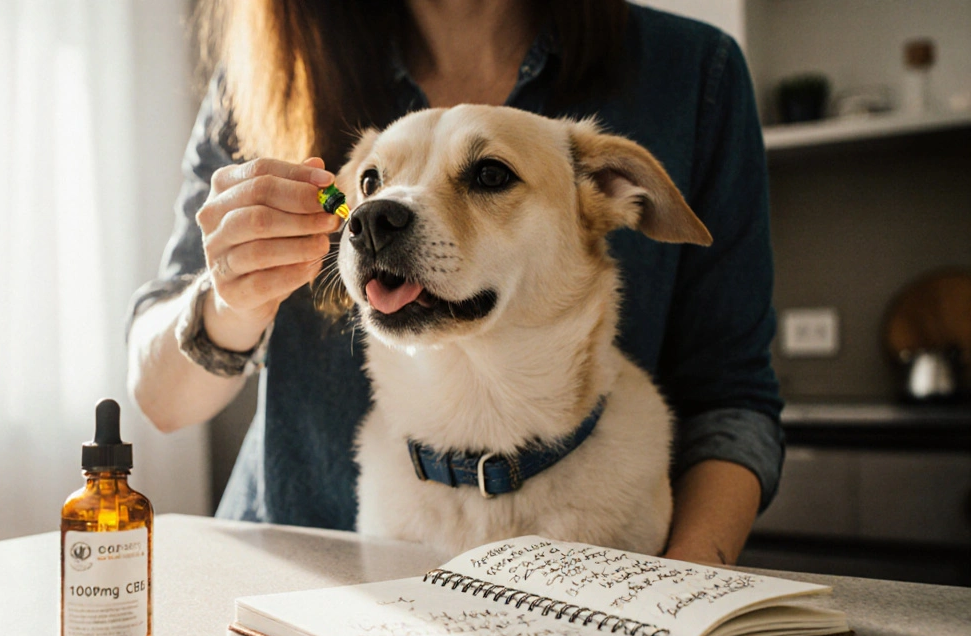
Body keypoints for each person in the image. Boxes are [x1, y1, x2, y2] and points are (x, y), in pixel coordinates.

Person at [127, 0, 783, 567]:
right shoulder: (262, 78)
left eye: (490, 177)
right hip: (300, 577)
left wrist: (683, 591)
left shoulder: (695, 73)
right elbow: (159, 402)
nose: (380, 217)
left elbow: (731, 396)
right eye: (374, 188)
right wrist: (229, 297)